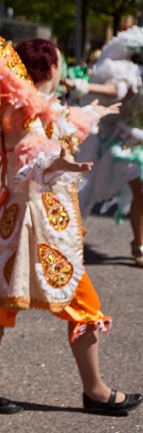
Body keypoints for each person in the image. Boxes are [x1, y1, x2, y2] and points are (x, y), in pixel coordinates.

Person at [0, 0, 141, 416]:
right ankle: (97, 391)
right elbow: (35, 155)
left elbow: (17, 142)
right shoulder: (32, 110)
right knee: (82, 302)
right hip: (41, 224)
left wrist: (93, 115)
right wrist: (61, 161)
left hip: (9, 220)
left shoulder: (15, 106)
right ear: (50, 70)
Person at [62, 27, 143, 267]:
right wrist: (80, 85)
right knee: (140, 191)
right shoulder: (134, 75)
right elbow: (115, 90)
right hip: (130, 144)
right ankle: (139, 244)